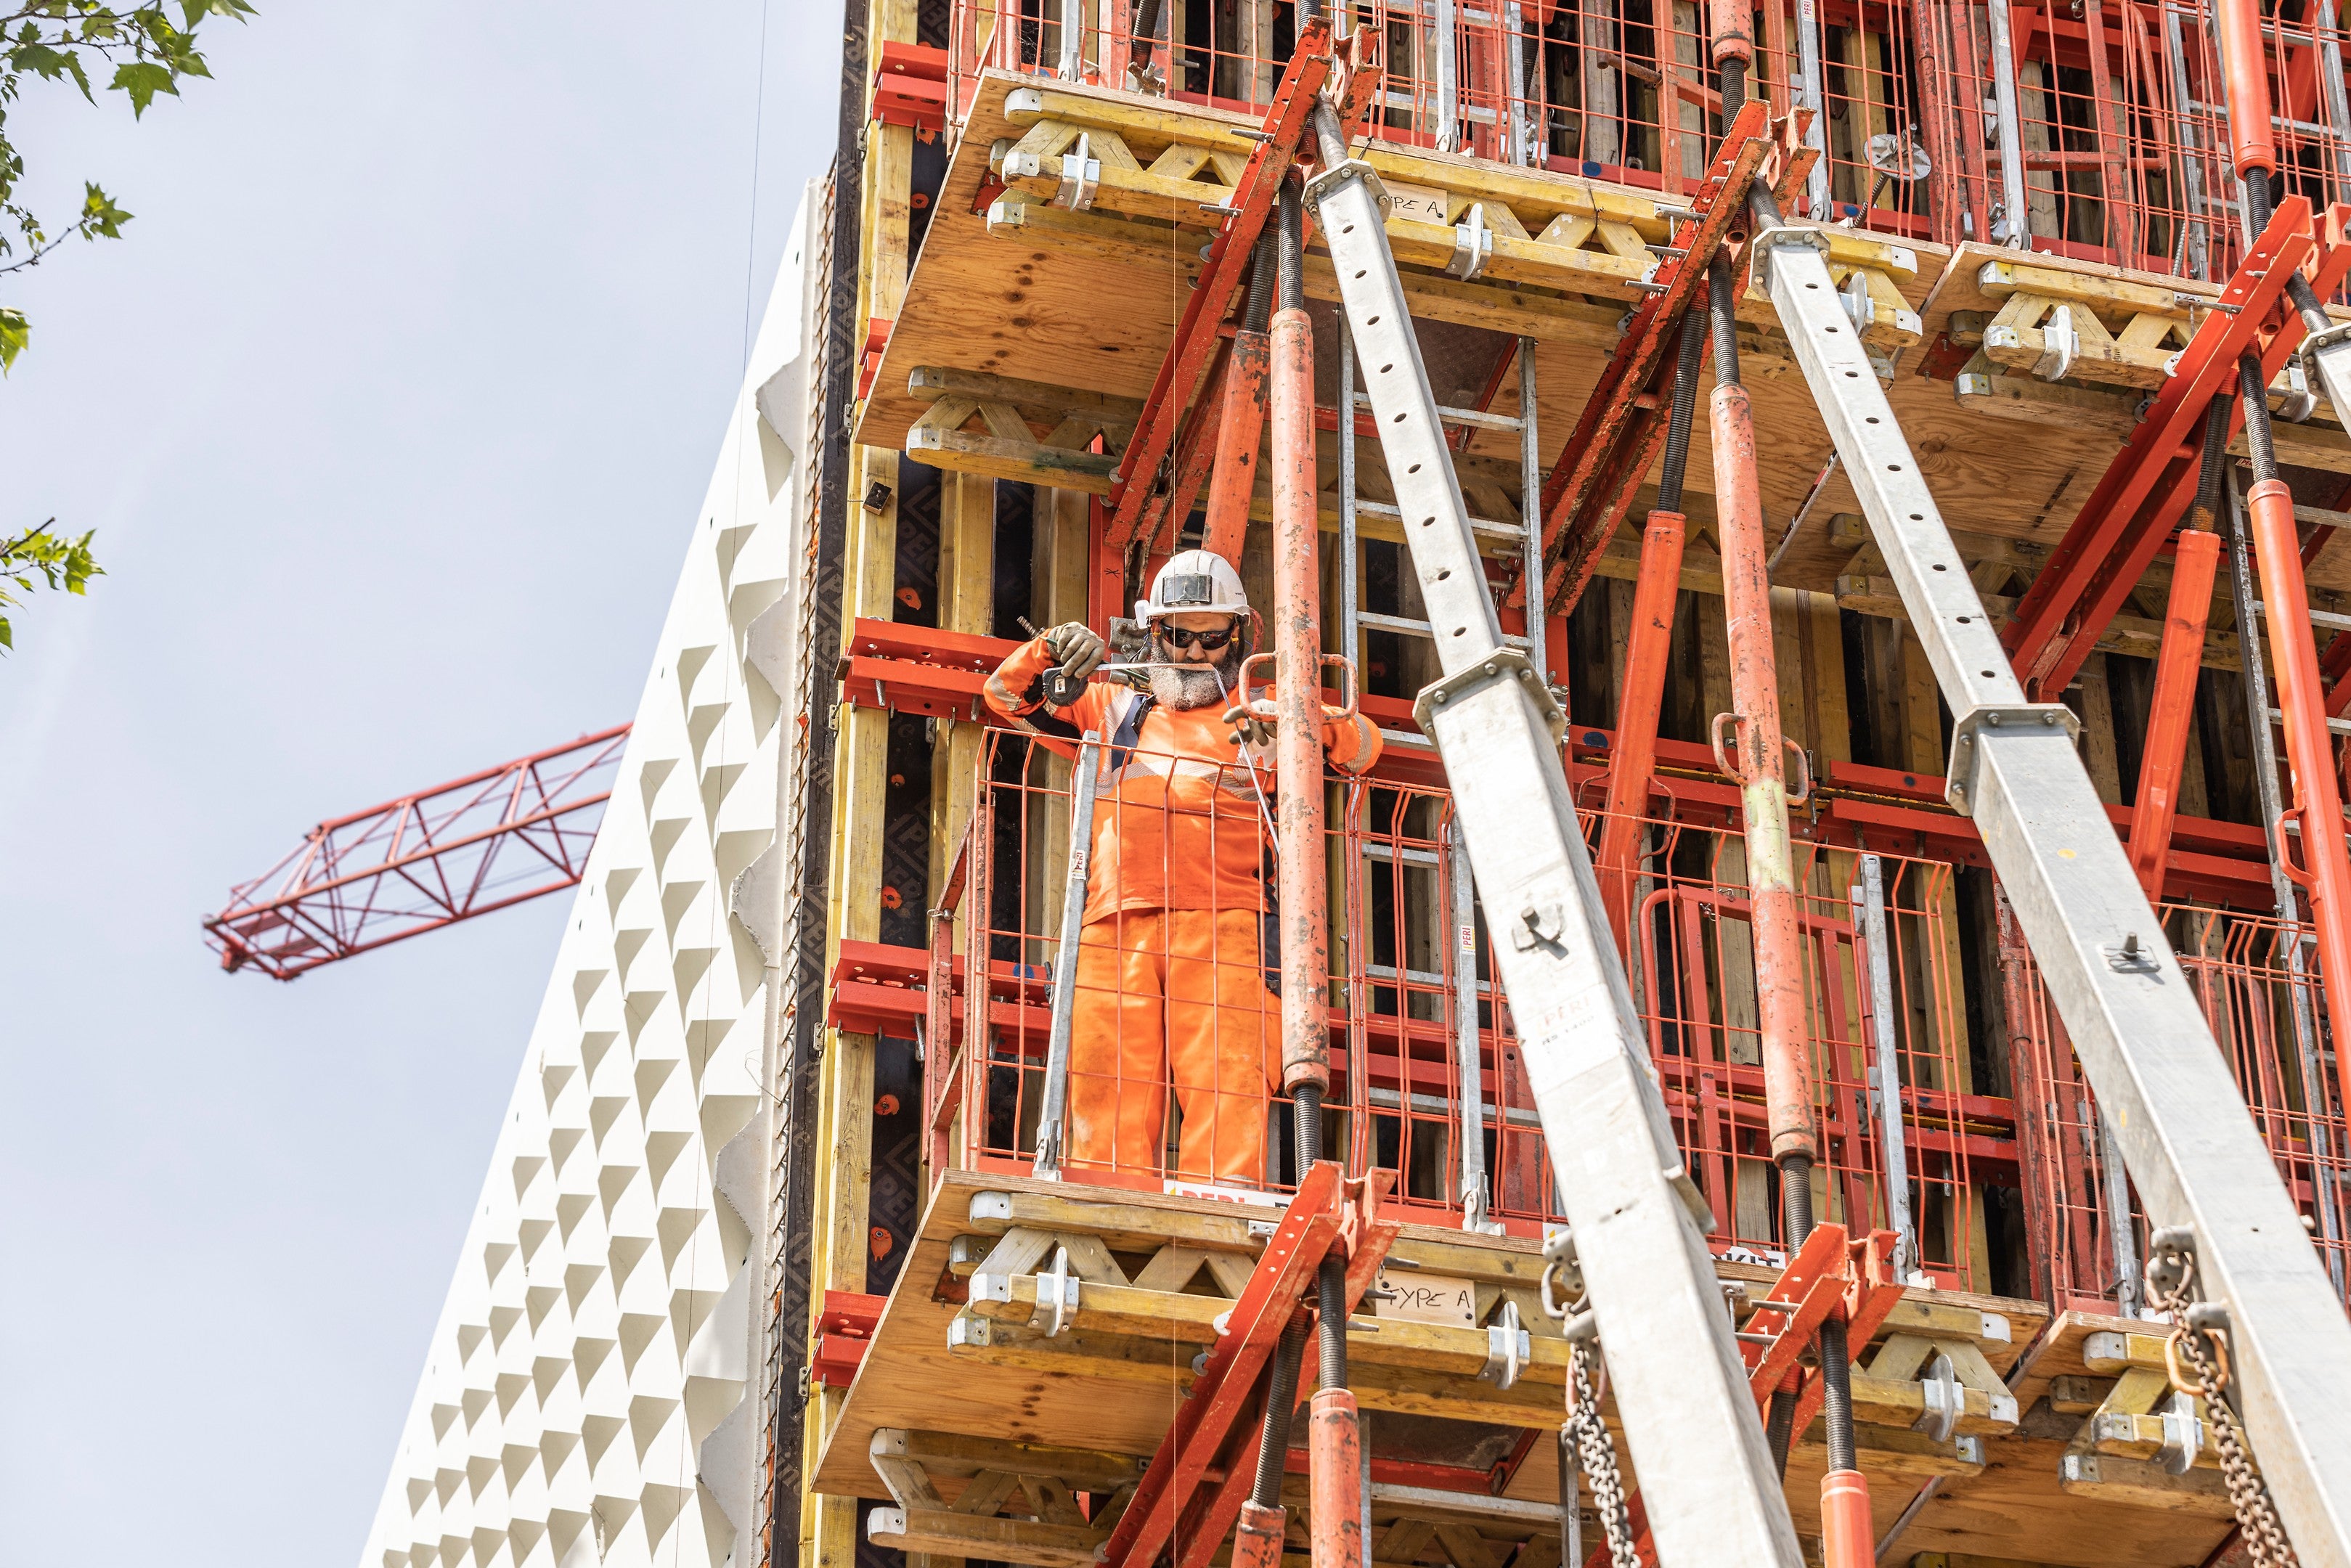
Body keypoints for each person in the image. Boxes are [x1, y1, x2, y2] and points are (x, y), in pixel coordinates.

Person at [984, 550, 1381, 1184]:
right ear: (1155, 634)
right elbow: (1005, 695)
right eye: (1178, 635)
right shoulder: (1114, 707)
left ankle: (1219, 1219)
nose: (1195, 652)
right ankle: (1105, 1215)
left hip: (1227, 925)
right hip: (1113, 927)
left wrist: (1298, 728)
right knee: (1105, 1088)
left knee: (1228, 1085)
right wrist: (1052, 649)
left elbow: (1363, 745)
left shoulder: (1266, 708)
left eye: (1211, 637)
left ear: (1237, 636)